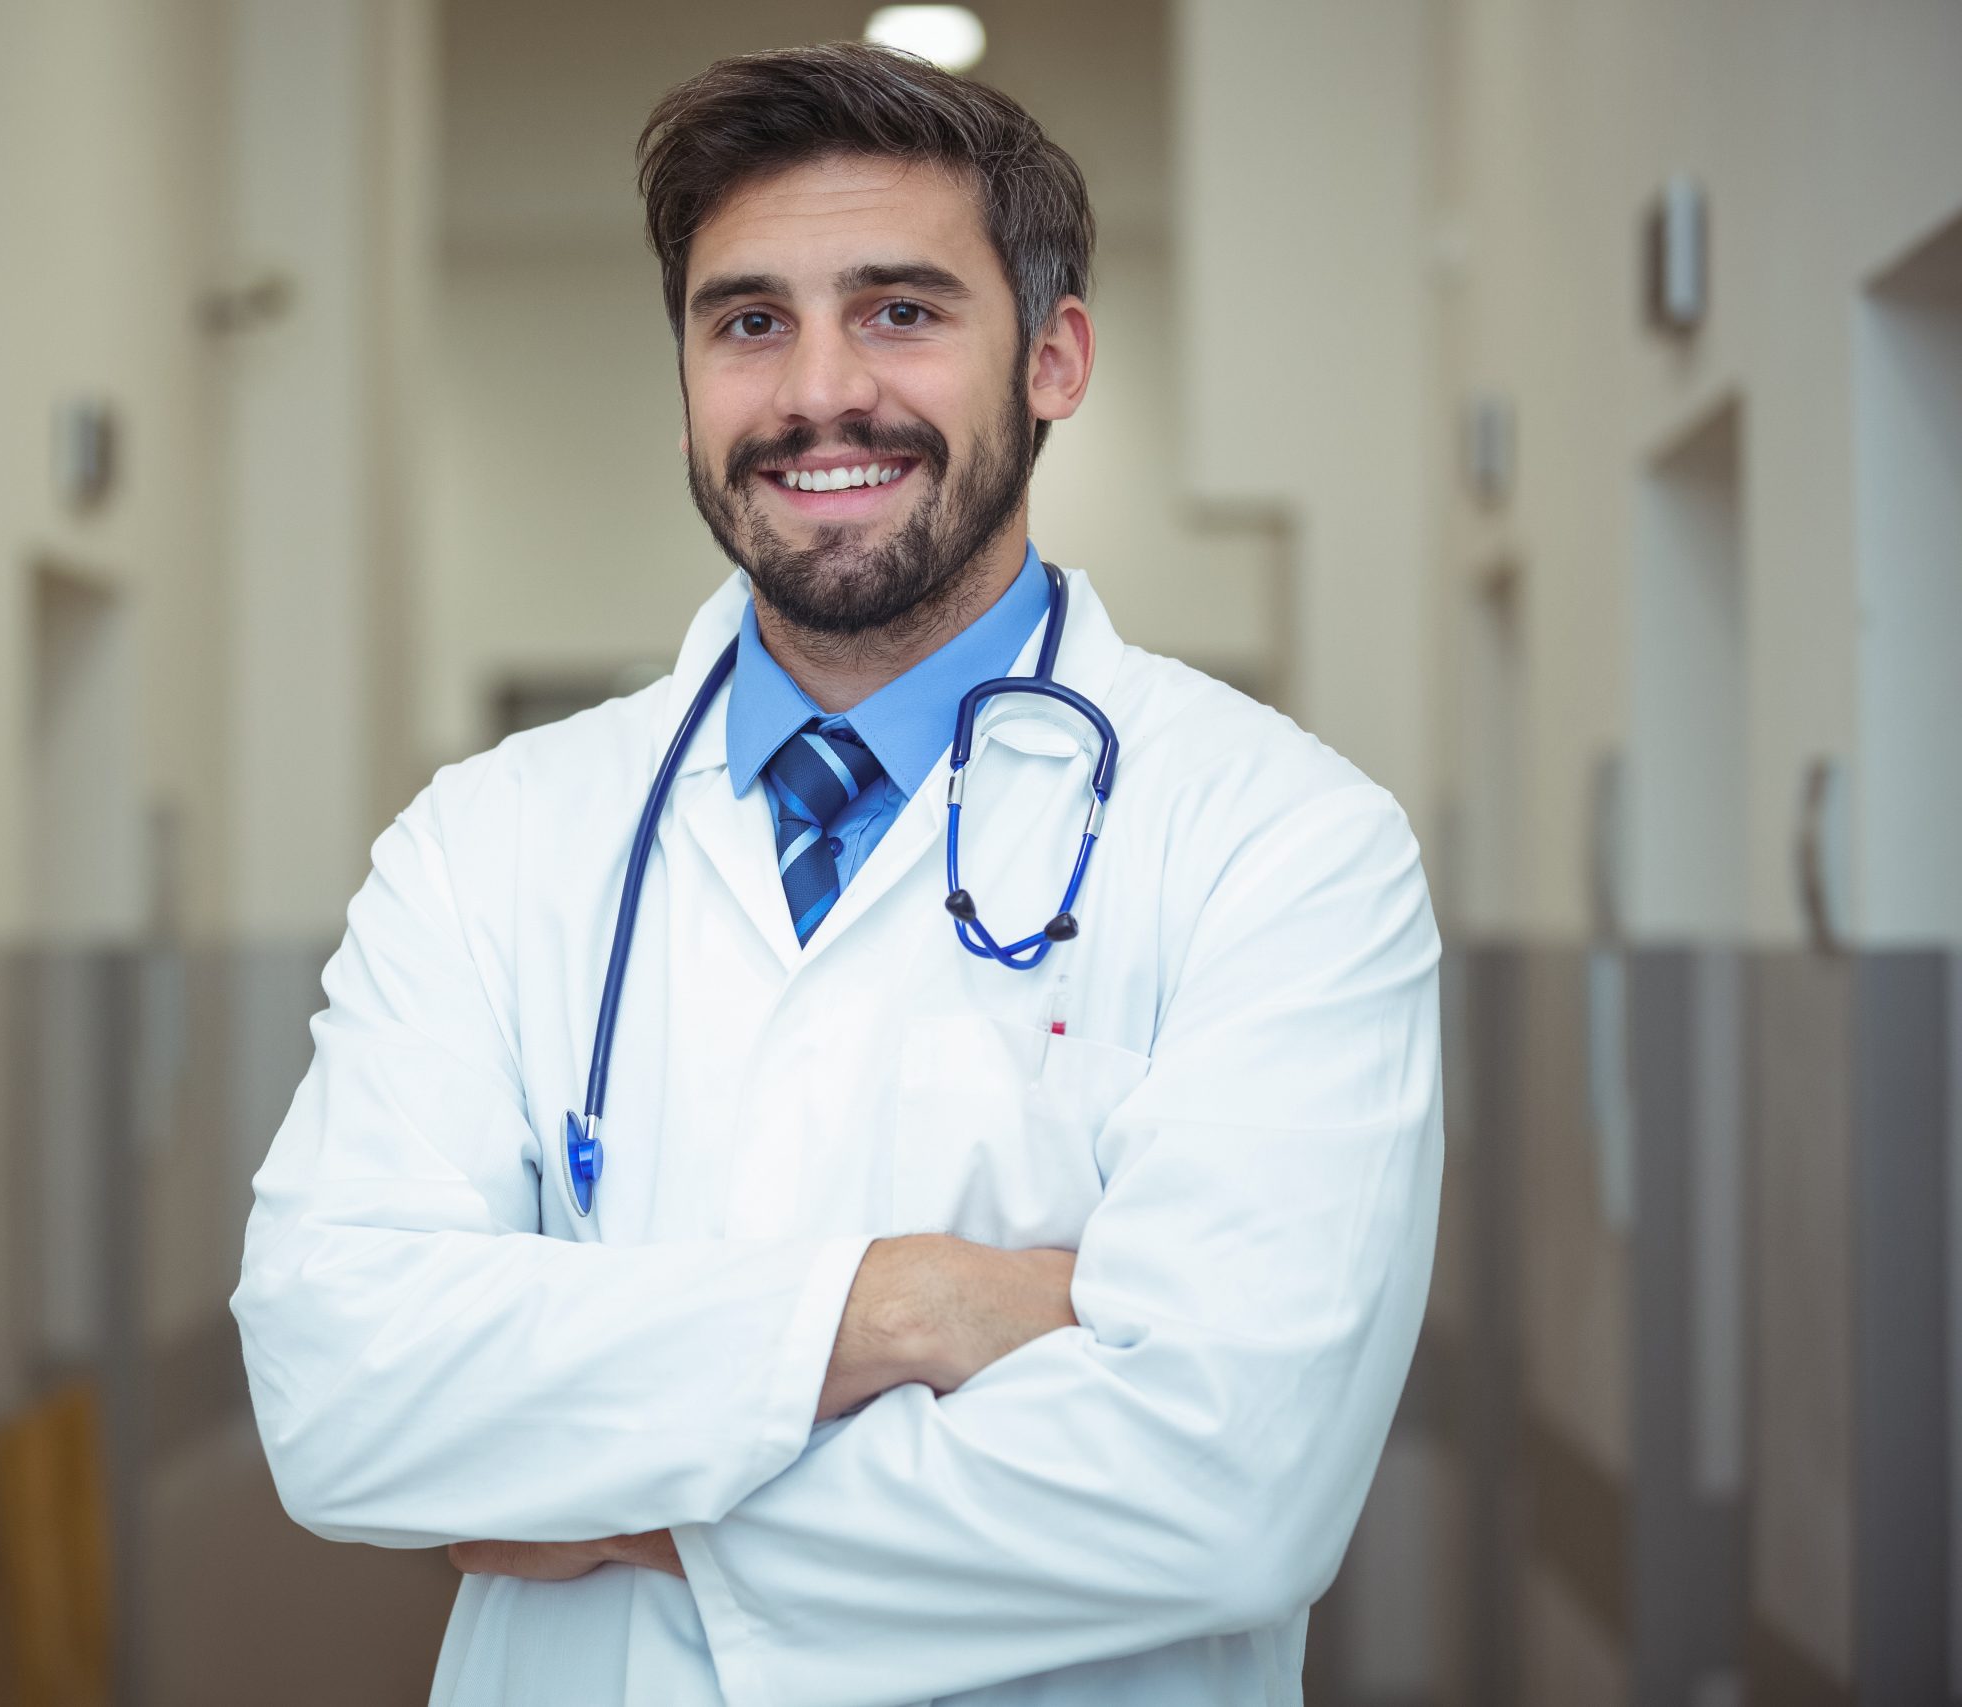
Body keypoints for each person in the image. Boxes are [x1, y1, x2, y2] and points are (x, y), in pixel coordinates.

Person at [233, 40, 1441, 1707]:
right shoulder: (489, 841)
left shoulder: (1283, 845)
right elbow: (340, 1389)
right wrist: (907, 1304)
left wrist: (630, 1506)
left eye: (902, 310)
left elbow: (1231, 1490)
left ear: (1055, 357)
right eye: (748, 322)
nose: (817, 393)